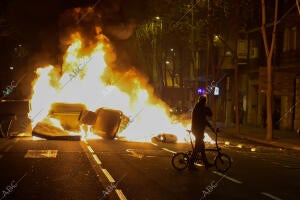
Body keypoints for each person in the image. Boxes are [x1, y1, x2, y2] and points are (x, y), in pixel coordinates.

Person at [189, 95, 214, 170]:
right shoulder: (200, 108)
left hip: (197, 130)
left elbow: (205, 119)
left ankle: (206, 163)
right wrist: (211, 127)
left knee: (202, 148)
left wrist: (211, 127)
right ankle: (191, 164)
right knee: (197, 148)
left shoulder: (198, 107)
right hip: (198, 131)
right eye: (205, 101)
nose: (205, 102)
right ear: (204, 101)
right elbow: (206, 118)